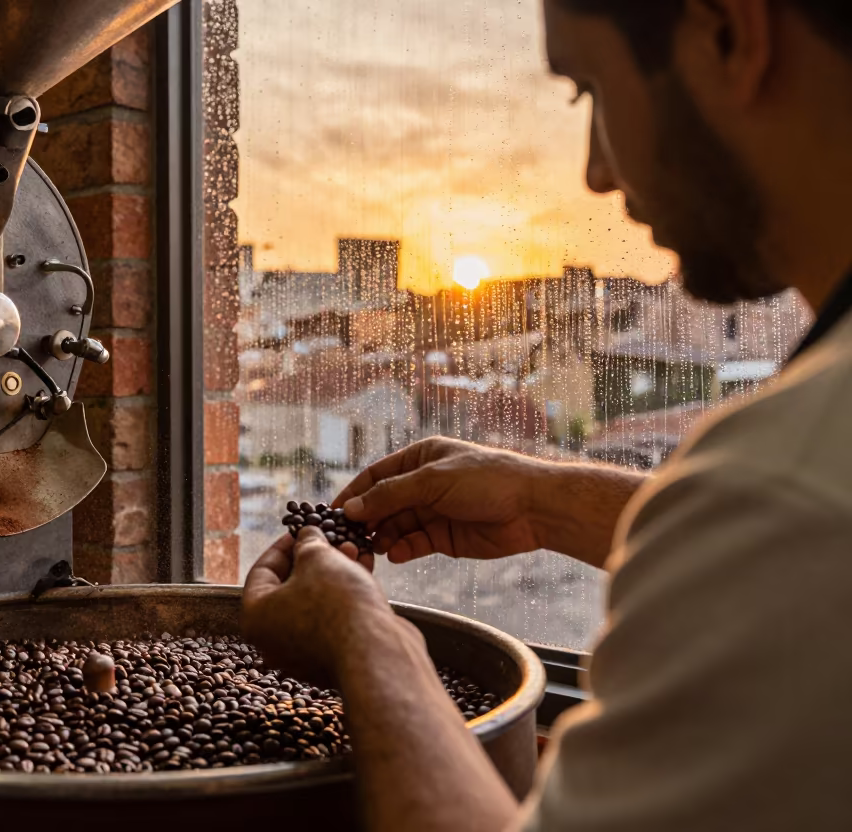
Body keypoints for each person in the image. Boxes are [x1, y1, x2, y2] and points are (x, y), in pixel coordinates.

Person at [240, 1, 852, 830]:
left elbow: (787, 523)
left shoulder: (784, 487)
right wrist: (543, 499)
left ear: (729, 34)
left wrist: (369, 645)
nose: (598, 173)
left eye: (589, 90)